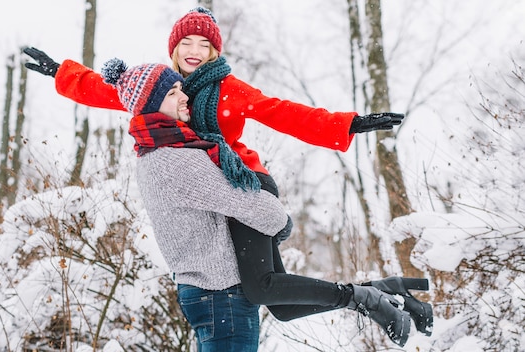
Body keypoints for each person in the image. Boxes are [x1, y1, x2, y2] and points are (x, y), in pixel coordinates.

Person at [23, 6, 431, 343]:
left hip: (244, 185)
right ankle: (383, 291)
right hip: (212, 191)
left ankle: (364, 299)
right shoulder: (163, 90)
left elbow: (282, 111)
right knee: (282, 306)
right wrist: (61, 71)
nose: (195, 50)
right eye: (187, 42)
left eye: (205, 44)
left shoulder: (228, 89)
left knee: (259, 288)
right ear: (174, 48)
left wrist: (348, 123)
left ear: (216, 51)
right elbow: (105, 89)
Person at [96, 57, 414, 349]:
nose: (184, 98)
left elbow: (281, 112)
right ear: (150, 108)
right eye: (172, 94)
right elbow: (267, 213)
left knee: (276, 300)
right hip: (220, 296)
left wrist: (346, 124)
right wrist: (278, 221)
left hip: (208, 294)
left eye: (181, 88)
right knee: (278, 301)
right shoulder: (178, 159)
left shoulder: (151, 153)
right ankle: (371, 295)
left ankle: (371, 296)